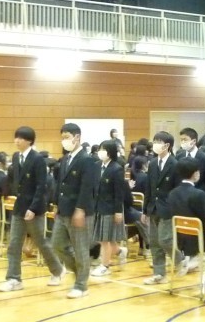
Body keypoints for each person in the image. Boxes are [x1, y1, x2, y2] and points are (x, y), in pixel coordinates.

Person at [0, 126, 65, 291]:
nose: (17, 141)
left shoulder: (38, 159)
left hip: (34, 209)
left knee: (41, 242)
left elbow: (41, 186)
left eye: (21, 138)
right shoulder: (16, 157)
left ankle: (57, 270)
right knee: (14, 243)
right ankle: (14, 278)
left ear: (29, 140)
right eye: (16, 137)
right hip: (19, 207)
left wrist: (34, 207)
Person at [51, 123, 97, 299]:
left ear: (77, 137)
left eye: (67, 137)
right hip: (63, 210)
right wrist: (56, 205)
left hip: (79, 211)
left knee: (81, 249)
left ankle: (81, 286)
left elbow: (87, 187)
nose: (64, 141)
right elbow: (60, 185)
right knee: (57, 245)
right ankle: (80, 273)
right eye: (62, 137)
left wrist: (80, 210)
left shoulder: (87, 159)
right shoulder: (65, 159)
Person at [142, 130, 184, 285]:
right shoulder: (153, 163)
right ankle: (159, 274)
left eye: (158, 142)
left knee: (165, 239)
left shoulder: (175, 164)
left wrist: (176, 209)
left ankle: (180, 259)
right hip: (153, 207)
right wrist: (145, 210)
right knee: (154, 242)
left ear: (167, 145)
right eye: (154, 141)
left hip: (168, 209)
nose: (155, 144)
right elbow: (149, 187)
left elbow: (178, 189)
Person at [166, 156, 205, 278]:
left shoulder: (172, 193)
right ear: (195, 174)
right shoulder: (199, 194)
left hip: (179, 239)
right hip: (198, 240)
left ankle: (190, 260)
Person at [91, 140, 127, 276]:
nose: (101, 152)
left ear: (110, 152)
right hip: (98, 207)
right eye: (100, 149)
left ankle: (104, 266)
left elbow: (119, 193)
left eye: (104, 149)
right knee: (104, 238)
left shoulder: (116, 169)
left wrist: (118, 211)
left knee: (104, 239)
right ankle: (120, 251)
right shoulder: (96, 166)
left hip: (110, 208)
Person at [177, 127, 205, 193]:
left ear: (194, 141)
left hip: (199, 193)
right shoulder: (179, 156)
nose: (183, 142)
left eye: (185, 139)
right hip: (182, 194)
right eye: (181, 140)